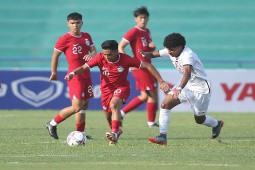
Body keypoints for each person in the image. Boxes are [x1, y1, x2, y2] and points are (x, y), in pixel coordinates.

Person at [65, 40, 170, 145]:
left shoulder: (125, 59)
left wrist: (161, 81)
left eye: (109, 54)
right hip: (106, 90)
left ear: (116, 52)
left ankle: (114, 133)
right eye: (105, 54)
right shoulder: (100, 57)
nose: (106, 57)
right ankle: (116, 132)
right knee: (107, 115)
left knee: (114, 104)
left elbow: (148, 65)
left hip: (122, 87)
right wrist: (72, 73)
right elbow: (84, 67)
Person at [139, 33, 224, 145]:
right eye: (168, 50)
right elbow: (156, 54)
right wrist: (147, 54)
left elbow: (187, 73)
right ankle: (162, 137)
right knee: (165, 105)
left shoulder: (187, 55)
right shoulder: (172, 50)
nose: (169, 52)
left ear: (180, 47)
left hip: (200, 89)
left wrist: (179, 88)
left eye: (172, 50)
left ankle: (216, 124)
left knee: (199, 119)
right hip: (186, 85)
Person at [45, 12, 97, 139]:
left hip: (86, 74)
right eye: (72, 23)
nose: (75, 25)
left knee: (84, 105)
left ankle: (80, 133)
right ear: (68, 24)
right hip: (74, 76)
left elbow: (94, 51)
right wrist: (54, 72)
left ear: (82, 23)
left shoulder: (86, 36)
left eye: (77, 22)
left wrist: (91, 55)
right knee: (77, 106)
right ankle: (52, 123)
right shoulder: (63, 39)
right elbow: (55, 57)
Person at [118, 6, 159, 127]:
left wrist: (151, 48)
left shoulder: (147, 31)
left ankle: (122, 113)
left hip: (148, 66)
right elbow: (121, 46)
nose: (143, 20)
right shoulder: (133, 31)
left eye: (145, 18)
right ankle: (151, 122)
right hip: (140, 67)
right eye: (141, 18)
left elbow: (145, 48)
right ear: (136, 19)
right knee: (152, 95)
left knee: (145, 96)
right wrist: (128, 63)